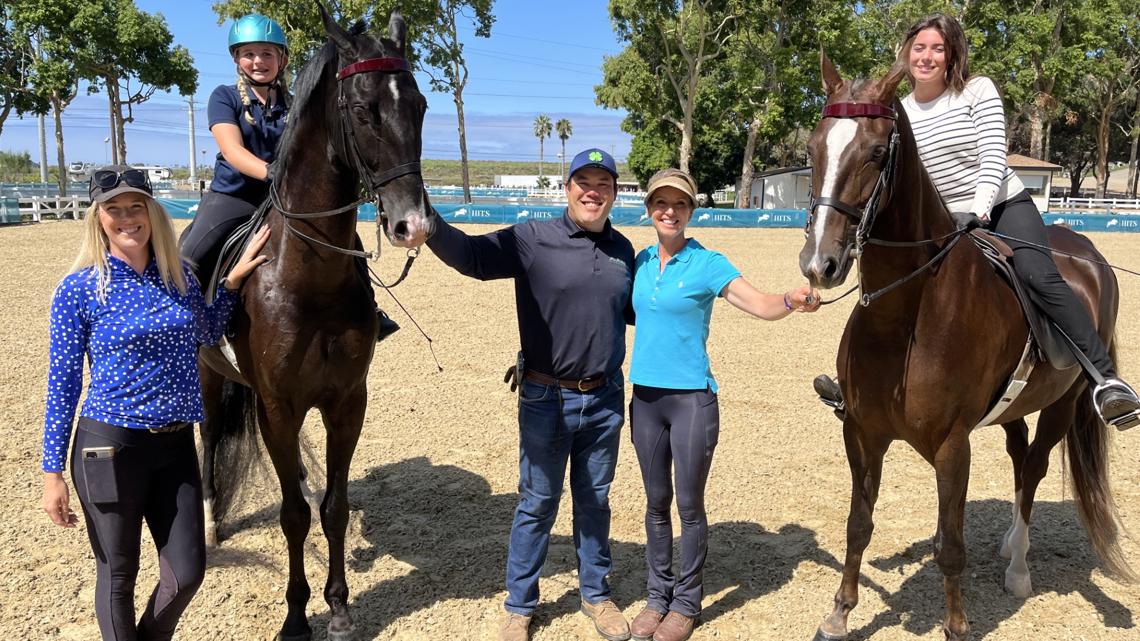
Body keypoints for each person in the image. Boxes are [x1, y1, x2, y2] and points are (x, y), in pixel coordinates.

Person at [814, 13, 1140, 429]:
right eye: (919, 47)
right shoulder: (897, 111)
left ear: (952, 55)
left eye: (937, 48)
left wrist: (980, 209)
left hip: (1000, 206)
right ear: (906, 53)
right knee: (884, 283)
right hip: (940, 220)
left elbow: (992, 159)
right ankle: (863, 383)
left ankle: (1104, 378)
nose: (927, 57)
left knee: (1037, 273)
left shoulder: (976, 91)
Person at [397, 148, 634, 641]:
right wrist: (430, 222)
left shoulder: (623, 250)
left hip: (606, 397)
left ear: (613, 193)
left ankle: (597, 595)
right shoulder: (532, 238)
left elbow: (640, 309)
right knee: (538, 502)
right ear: (567, 189)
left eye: (603, 184)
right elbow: (474, 258)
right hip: (546, 398)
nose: (593, 192)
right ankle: (520, 605)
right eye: (583, 182)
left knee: (595, 500)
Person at [40, 165, 270, 641]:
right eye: (114, 210)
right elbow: (62, 383)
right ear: (98, 219)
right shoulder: (80, 289)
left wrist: (230, 284)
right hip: (108, 447)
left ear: (152, 213)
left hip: (175, 446)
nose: (127, 218)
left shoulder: (180, 276)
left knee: (187, 573)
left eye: (136, 207)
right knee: (118, 576)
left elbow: (207, 332)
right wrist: (51, 474)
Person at [626, 169, 820, 641]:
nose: (669, 211)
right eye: (661, 203)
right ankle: (657, 597)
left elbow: (757, 304)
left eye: (679, 204)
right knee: (655, 503)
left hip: (692, 398)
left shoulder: (709, 263)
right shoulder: (640, 260)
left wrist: (791, 300)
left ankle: (686, 604)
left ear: (691, 212)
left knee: (689, 506)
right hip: (644, 398)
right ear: (650, 208)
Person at [178, 13, 399, 341]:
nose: (258, 61)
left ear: (282, 59)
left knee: (349, 244)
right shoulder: (223, 97)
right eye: (249, 53)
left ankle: (370, 309)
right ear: (236, 58)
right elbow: (233, 151)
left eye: (267, 53)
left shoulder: (296, 104)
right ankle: (183, 320)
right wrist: (272, 172)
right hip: (234, 197)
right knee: (191, 254)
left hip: (285, 200)